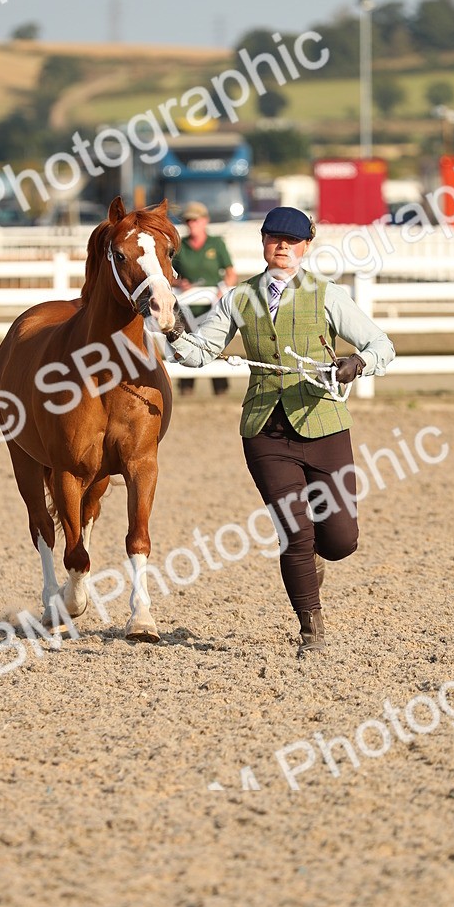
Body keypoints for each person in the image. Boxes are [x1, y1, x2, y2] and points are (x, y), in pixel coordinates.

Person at [164, 206, 395, 656]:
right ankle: (311, 631)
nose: (283, 246)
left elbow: (381, 344)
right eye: (274, 238)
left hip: (324, 425)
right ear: (264, 242)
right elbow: (198, 354)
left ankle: (315, 563)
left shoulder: (327, 294)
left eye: (292, 240)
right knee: (294, 531)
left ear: (307, 246)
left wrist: (357, 363)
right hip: (265, 429)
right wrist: (172, 328)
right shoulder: (238, 297)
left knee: (340, 540)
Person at [174, 201, 237, 396]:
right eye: (188, 220)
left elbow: (230, 272)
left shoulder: (216, 243)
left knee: (214, 345)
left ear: (205, 221)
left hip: (213, 308)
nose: (192, 223)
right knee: (186, 346)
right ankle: (186, 389)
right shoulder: (179, 247)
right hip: (187, 309)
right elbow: (168, 274)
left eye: (195, 220)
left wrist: (223, 290)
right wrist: (179, 283)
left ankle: (220, 389)